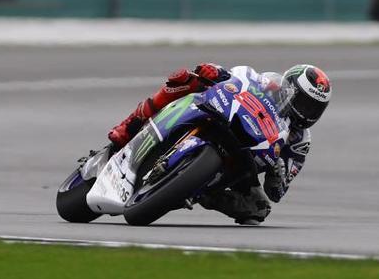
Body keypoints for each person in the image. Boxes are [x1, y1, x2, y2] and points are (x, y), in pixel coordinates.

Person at [107, 62, 332, 225]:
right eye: (303, 102)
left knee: (258, 209)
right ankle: (129, 125)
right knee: (187, 79)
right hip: (227, 117)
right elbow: (236, 77)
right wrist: (215, 72)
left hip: (246, 164)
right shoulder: (266, 84)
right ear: (289, 89)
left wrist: (278, 172)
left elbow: (277, 192)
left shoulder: (300, 141)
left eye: (313, 108)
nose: (306, 112)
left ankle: (201, 192)